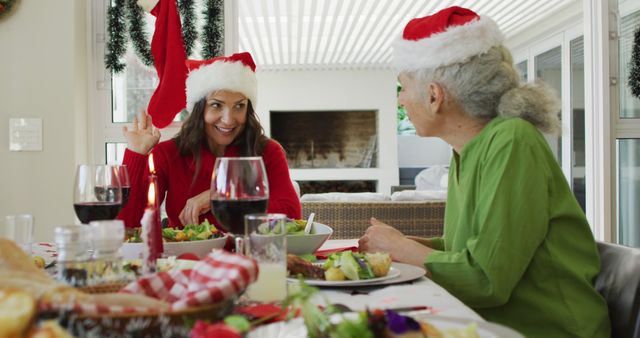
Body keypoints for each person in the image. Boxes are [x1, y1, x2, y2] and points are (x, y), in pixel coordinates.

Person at [358, 6, 610, 338]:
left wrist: (403, 249)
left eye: (402, 88)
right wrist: (403, 243)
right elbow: (473, 247)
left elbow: (487, 279)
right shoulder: (468, 149)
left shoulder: (512, 141)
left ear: (435, 95)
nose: (401, 100)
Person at [117, 51, 301, 229]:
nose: (229, 119)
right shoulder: (168, 154)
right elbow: (128, 225)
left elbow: (292, 214)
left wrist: (220, 197)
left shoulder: (267, 151)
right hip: (185, 259)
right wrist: (136, 153)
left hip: (250, 255)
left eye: (239, 106)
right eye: (216, 105)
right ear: (199, 109)